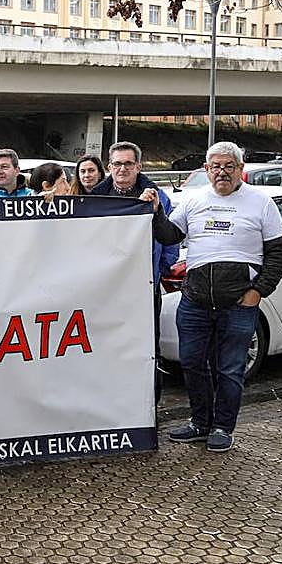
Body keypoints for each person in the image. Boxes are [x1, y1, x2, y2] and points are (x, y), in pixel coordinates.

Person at [148, 141, 282, 453]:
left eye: (228, 166)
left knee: (230, 369)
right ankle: (200, 423)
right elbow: (169, 235)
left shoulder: (261, 203)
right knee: (192, 363)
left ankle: (223, 427)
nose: (222, 172)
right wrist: (157, 212)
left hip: (238, 303)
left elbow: (279, 252)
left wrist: (258, 291)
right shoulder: (195, 200)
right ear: (206, 169)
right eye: (216, 166)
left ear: (240, 169)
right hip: (195, 300)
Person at [91, 141, 176, 401]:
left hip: (145, 288)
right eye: (117, 164)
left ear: (138, 166)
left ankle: (149, 406)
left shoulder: (158, 197)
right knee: (108, 346)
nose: (123, 169)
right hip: (108, 289)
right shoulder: (96, 198)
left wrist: (160, 269)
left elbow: (170, 239)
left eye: (128, 164)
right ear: (109, 167)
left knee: (147, 347)